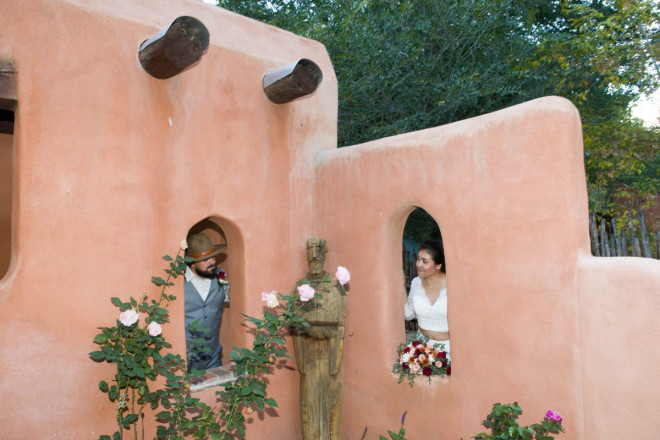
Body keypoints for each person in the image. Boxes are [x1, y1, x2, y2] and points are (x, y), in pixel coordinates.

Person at [292, 237, 346, 440]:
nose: (314, 257)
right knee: (310, 410)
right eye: (310, 252)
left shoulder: (334, 286)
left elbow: (339, 323)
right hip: (310, 360)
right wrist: (308, 332)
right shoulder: (299, 287)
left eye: (318, 252)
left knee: (329, 407)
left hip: (329, 359)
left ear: (324, 255)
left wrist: (328, 335)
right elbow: (295, 322)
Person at [184, 232, 229, 372]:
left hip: (213, 356)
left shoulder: (221, 276)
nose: (212, 262)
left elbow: (223, 298)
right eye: (205, 259)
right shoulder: (178, 283)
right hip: (186, 359)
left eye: (212, 257)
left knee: (219, 391)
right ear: (192, 264)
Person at [404, 239, 450, 359]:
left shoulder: (452, 284)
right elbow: (408, 315)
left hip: (450, 349)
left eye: (425, 261)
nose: (418, 264)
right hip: (421, 350)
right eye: (418, 259)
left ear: (439, 265)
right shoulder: (415, 283)